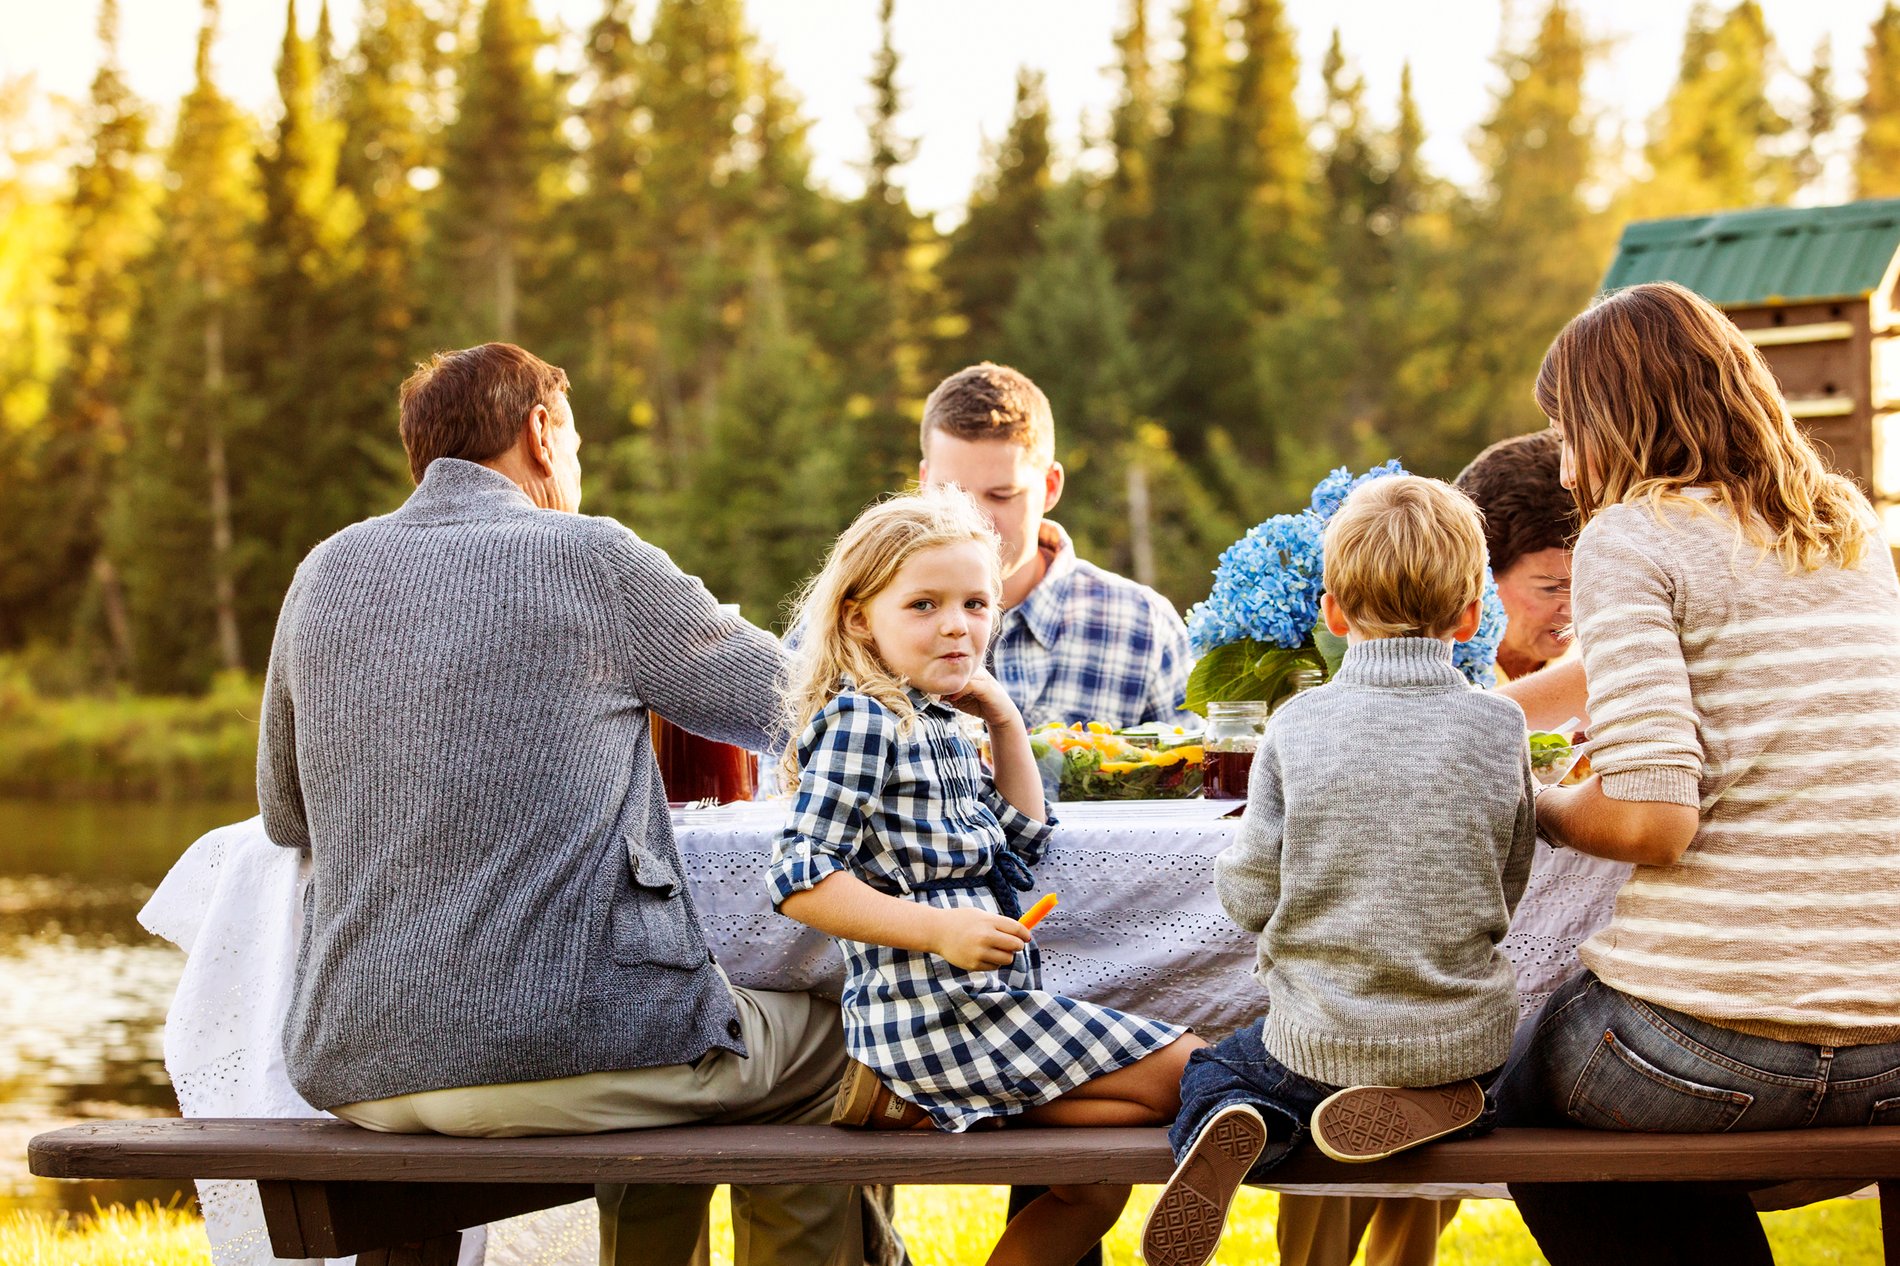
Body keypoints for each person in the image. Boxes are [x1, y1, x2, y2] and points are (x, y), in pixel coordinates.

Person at [256, 343, 862, 1266]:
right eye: (572, 437)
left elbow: (286, 815)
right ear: (541, 431)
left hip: (356, 1066)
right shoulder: (589, 557)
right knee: (842, 1042)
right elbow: (803, 710)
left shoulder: (324, 572)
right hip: (553, 1053)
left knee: (671, 1036)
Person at [1498, 281, 1900, 1264]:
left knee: (1513, 1092)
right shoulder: (1841, 526)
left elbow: (1650, 821)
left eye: (1567, 431)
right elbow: (1669, 656)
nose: (1562, 463)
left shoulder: (1631, 535)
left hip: (1704, 1055)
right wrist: (1468, 717)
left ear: (1615, 421)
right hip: (1892, 1047)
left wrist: (1529, 800)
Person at [766, 485, 1205, 1266]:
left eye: (975, 603)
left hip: (987, 1004)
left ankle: (932, 1107)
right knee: (1195, 1073)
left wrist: (1003, 722)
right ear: (859, 617)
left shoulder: (939, 721)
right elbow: (800, 877)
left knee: (1095, 1188)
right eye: (924, 605)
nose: (955, 625)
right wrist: (942, 928)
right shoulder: (866, 720)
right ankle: (921, 1094)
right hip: (932, 1012)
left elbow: (1023, 840)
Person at [1141, 475, 1539, 1266]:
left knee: (1217, 1072)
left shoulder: (1297, 724)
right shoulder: (1501, 724)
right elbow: (1511, 870)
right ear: (1468, 617)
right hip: (1462, 1039)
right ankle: (1456, 1103)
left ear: (1331, 613)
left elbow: (1253, 890)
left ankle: (1244, 1121)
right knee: (1516, 1071)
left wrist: (1238, 878)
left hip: (1317, 1041)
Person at [917, 363, 1192, 728]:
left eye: (1002, 495)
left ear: (1050, 487)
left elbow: (1196, 781)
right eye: (951, 494)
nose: (974, 520)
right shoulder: (857, 620)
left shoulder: (1144, 627)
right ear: (923, 484)